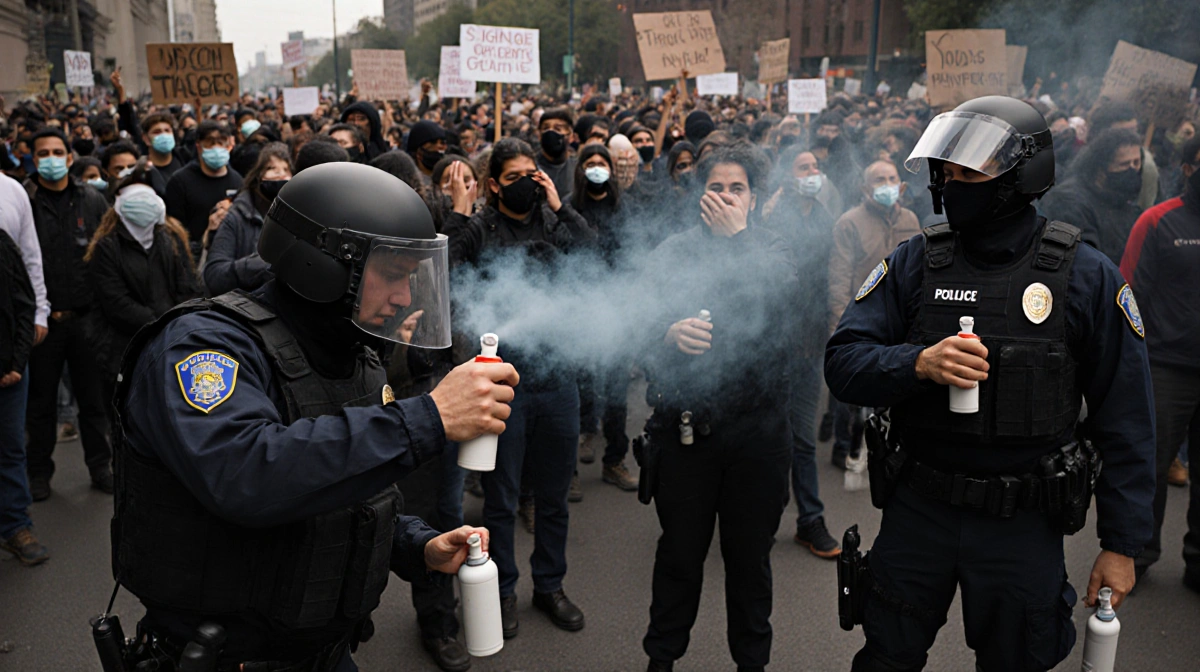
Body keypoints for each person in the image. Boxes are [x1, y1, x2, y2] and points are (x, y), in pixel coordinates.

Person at [112, 161, 517, 671]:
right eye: (393, 275)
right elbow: (248, 473)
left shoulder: (356, 356)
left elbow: (350, 490)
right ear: (324, 265)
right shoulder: (203, 347)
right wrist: (430, 416)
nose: (405, 297)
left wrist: (420, 544)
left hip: (323, 655)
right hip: (219, 659)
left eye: (412, 280)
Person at [826, 96, 1155, 672]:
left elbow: (1126, 418)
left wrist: (1122, 543)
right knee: (886, 656)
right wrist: (916, 364)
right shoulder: (914, 263)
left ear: (1018, 176)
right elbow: (843, 360)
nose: (953, 186)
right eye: (947, 173)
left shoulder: (1085, 275)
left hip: (1022, 522)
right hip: (919, 510)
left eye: (969, 173)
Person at [640, 142, 799, 672]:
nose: (726, 197)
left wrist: (739, 243)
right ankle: (660, 661)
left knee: (749, 565)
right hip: (686, 434)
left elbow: (786, 308)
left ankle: (751, 664)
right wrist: (664, 333)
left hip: (757, 438)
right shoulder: (673, 252)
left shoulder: (775, 249)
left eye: (737, 189)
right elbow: (632, 330)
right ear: (699, 195)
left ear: (755, 199)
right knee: (679, 560)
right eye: (716, 187)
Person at [444, 138, 594, 640]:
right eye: (514, 177)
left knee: (552, 498)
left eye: (534, 173)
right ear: (493, 184)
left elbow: (593, 255)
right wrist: (460, 214)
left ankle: (549, 585)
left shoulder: (554, 222)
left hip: (558, 382)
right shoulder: (481, 230)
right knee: (502, 500)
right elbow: (441, 272)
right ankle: (502, 590)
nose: (526, 183)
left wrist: (560, 203)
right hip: (501, 386)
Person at [1119, 135, 1200, 591]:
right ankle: (1136, 554)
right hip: (1165, 367)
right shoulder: (1157, 220)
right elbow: (1128, 293)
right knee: (1150, 467)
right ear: (1187, 167)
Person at [23, 127, 113, 501]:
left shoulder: (90, 199)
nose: (51, 158)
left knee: (93, 402)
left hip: (86, 319)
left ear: (70, 156)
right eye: (43, 152)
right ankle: (39, 473)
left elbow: (107, 254)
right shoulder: (22, 199)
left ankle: (100, 466)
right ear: (32, 157)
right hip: (42, 323)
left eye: (57, 151)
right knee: (40, 404)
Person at [762, 147, 841, 558]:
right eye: (804, 168)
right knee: (769, 436)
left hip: (809, 345)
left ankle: (810, 519)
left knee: (804, 438)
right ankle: (763, 514)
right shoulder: (773, 219)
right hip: (772, 347)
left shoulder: (827, 218)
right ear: (788, 176)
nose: (814, 173)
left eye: (816, 166)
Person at [83, 159, 201, 411]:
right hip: (124, 349)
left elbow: (187, 287)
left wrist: (173, 322)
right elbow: (116, 302)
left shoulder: (171, 240)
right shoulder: (107, 248)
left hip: (171, 343)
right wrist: (158, 323)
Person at [827, 160, 921, 469]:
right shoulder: (849, 223)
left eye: (892, 178)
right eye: (879, 179)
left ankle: (884, 445)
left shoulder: (910, 219)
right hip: (862, 318)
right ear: (866, 189)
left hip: (899, 321)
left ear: (901, 185)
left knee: (889, 383)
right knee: (852, 388)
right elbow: (840, 278)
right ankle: (844, 447)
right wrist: (839, 325)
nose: (887, 184)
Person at [0, 227, 48, 565]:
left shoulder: (2, 243)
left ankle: (16, 525)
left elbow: (23, 302)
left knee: (10, 449)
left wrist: (17, 362)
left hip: (8, 372)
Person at [1040, 128, 1146, 265]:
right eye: (1124, 164)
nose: (1132, 169)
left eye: (1136, 163)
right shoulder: (1068, 202)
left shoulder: (1121, 200)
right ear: (1101, 168)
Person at [203, 143, 292, 296]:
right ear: (258, 176)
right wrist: (257, 265)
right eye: (272, 169)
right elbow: (214, 275)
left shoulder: (297, 213)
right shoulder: (236, 216)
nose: (281, 175)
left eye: (286, 170)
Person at [164, 120, 243, 259]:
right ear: (199, 147)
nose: (217, 147)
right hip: (193, 259)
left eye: (222, 142)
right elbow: (174, 232)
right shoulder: (180, 181)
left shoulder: (238, 181)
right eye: (210, 142)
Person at [536, 107, 577, 199]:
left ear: (571, 136)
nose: (550, 132)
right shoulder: (531, 168)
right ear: (538, 134)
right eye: (545, 128)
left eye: (557, 129)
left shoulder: (578, 169)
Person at [408, 120, 449, 185]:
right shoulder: (408, 182)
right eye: (433, 142)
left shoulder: (449, 179)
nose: (439, 146)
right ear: (418, 152)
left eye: (442, 142)